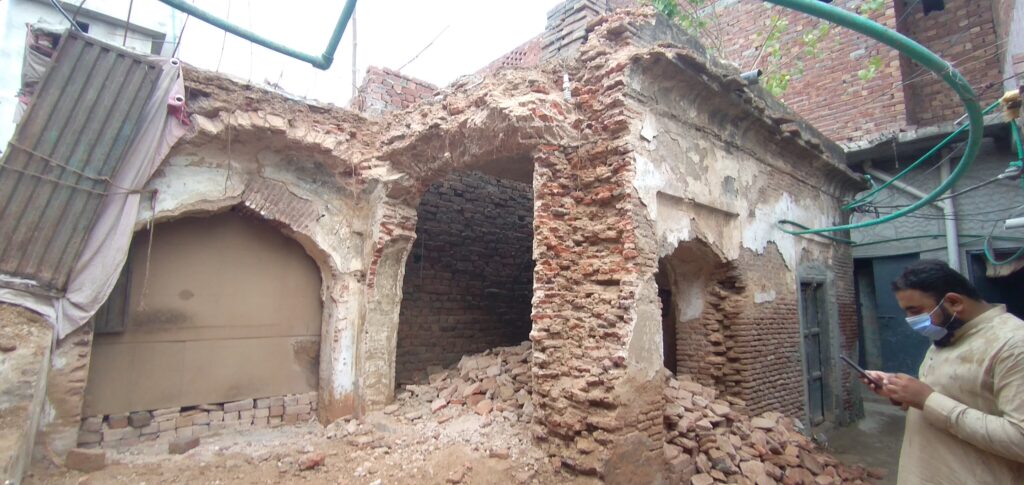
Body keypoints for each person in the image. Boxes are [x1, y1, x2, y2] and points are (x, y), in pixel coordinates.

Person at [862, 259, 1024, 484]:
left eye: (915, 311)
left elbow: (1019, 439)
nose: (910, 321)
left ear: (954, 302)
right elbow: (949, 397)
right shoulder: (948, 335)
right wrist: (901, 393)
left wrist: (927, 399)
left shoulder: (1013, 344)